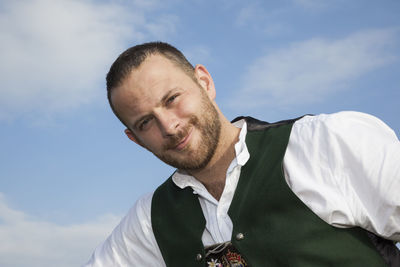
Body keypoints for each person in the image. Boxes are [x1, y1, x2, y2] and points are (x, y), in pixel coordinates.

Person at [84, 42, 400, 266]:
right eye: (145, 122)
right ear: (135, 139)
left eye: (172, 99)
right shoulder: (151, 220)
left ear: (204, 82)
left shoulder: (321, 143)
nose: (169, 125)